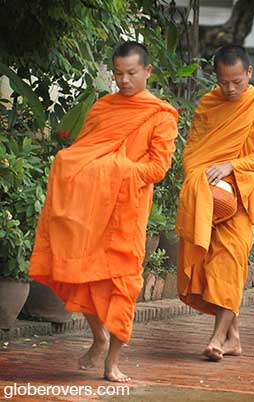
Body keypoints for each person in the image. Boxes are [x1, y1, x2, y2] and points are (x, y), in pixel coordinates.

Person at [29, 41, 178, 382]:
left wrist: (117, 170)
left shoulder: (160, 115)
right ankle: (99, 336)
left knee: (122, 285)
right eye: (119, 74)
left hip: (126, 213)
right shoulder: (103, 108)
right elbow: (85, 153)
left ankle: (113, 363)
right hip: (90, 212)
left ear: (147, 71)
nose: (124, 81)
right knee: (82, 277)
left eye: (131, 74)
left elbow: (157, 168)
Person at [176, 45, 254, 361]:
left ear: (249, 73)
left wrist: (231, 167)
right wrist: (197, 180)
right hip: (210, 195)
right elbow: (192, 151)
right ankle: (233, 337)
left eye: (237, 81)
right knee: (210, 264)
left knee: (229, 260)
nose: (231, 88)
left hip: (245, 196)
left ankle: (216, 337)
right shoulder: (209, 104)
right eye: (224, 82)